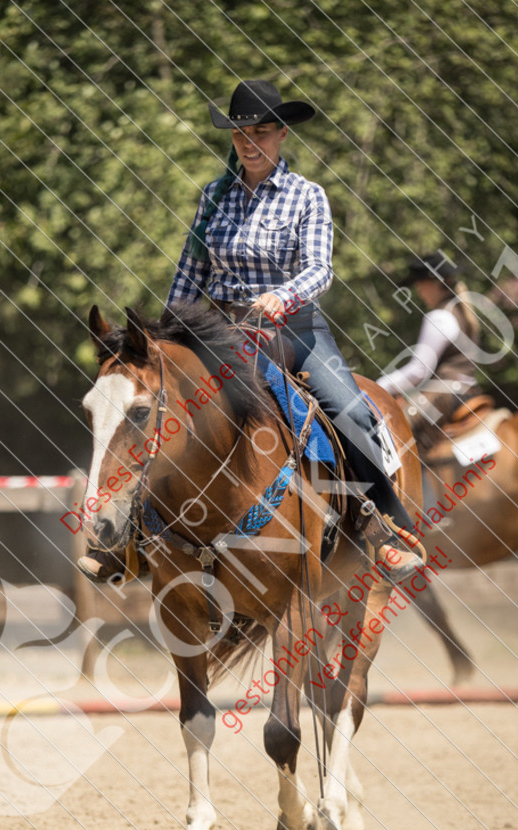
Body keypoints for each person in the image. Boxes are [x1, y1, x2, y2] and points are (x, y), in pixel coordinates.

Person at [165, 78, 424, 582]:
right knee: (157, 408)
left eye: (261, 131)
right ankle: (133, 534)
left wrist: (282, 296)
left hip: (295, 333)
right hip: (222, 336)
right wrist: (166, 330)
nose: (250, 142)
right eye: (241, 133)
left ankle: (385, 525)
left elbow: (320, 269)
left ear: (282, 134)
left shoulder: (308, 196)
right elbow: (188, 272)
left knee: (350, 410)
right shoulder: (212, 197)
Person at [377, 255, 481, 456]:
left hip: (443, 396)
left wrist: (380, 386)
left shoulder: (440, 317)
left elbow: (418, 371)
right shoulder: (464, 312)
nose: (418, 291)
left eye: (420, 284)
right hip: (468, 391)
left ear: (436, 282)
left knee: (385, 434)